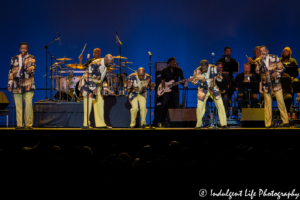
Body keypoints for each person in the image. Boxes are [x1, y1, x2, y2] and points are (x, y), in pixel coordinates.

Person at [255, 45, 289, 127]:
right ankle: (268, 124)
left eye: (264, 50)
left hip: (276, 84)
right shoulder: (258, 60)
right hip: (266, 85)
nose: (263, 52)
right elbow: (257, 71)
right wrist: (259, 63)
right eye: (261, 51)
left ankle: (285, 122)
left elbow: (282, 69)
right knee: (267, 104)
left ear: (267, 51)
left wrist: (276, 73)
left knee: (281, 102)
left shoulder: (275, 57)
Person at [78, 54, 114, 129]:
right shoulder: (95, 63)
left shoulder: (107, 67)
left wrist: (105, 88)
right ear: (106, 60)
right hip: (87, 84)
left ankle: (100, 124)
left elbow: (104, 79)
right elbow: (87, 77)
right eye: (110, 63)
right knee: (89, 102)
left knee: (100, 102)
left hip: (96, 84)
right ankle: (86, 124)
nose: (111, 64)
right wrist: (93, 88)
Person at [190, 60, 227, 129]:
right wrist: (195, 80)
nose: (204, 70)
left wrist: (219, 78)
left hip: (213, 89)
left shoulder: (214, 68)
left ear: (207, 66)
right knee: (199, 107)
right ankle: (198, 125)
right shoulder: (197, 71)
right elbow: (194, 82)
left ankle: (224, 124)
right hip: (203, 90)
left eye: (205, 68)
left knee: (220, 105)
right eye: (202, 68)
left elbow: (220, 78)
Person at [8, 42, 36, 129]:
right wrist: (9, 83)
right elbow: (11, 72)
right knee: (18, 106)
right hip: (17, 85)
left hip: (28, 84)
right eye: (22, 48)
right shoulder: (14, 58)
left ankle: (29, 124)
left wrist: (30, 68)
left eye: (25, 48)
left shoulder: (31, 57)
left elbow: (33, 67)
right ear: (20, 49)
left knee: (28, 105)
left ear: (27, 49)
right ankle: (19, 124)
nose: (23, 49)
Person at [157, 57, 185, 127]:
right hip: (166, 89)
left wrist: (183, 81)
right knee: (164, 104)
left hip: (175, 89)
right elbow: (161, 77)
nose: (174, 63)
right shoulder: (165, 70)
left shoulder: (179, 69)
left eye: (175, 62)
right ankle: (160, 121)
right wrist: (162, 81)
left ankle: (177, 123)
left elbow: (182, 78)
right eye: (172, 62)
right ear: (169, 63)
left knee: (177, 105)